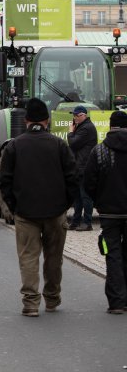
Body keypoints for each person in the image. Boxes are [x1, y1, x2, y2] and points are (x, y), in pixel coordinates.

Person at [0, 98, 77, 317]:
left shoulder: (14, 145)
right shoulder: (59, 145)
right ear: (47, 120)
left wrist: (14, 207)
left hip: (25, 212)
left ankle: (31, 303)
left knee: (28, 258)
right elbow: (72, 178)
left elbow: (4, 180)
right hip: (55, 212)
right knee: (54, 258)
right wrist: (65, 204)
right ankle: (52, 298)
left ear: (26, 121)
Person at [84, 110, 127, 314]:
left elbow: (89, 182)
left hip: (109, 214)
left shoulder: (99, 151)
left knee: (113, 255)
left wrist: (99, 202)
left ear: (110, 127)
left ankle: (117, 302)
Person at [68, 105, 97, 231]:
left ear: (84, 115)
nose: (75, 118)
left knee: (85, 196)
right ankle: (75, 222)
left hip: (84, 166)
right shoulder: (82, 127)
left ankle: (87, 223)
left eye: (77, 115)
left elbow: (73, 143)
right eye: (74, 115)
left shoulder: (87, 128)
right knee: (77, 197)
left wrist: (70, 132)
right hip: (79, 166)